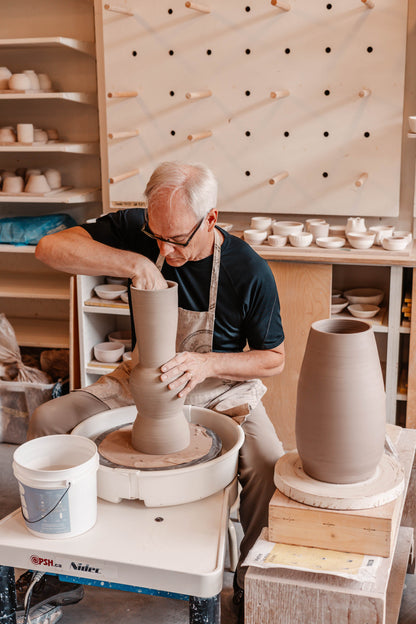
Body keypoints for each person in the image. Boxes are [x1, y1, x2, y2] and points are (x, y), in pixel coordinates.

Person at [21, 162, 285, 621]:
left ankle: (248, 580)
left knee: (267, 462)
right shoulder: (143, 233)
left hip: (219, 385)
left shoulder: (249, 270)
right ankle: (58, 566)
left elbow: (273, 358)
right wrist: (135, 260)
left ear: (212, 218)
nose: (166, 247)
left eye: (177, 240)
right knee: (47, 421)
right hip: (140, 377)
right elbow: (49, 248)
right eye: (155, 235)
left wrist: (207, 363)